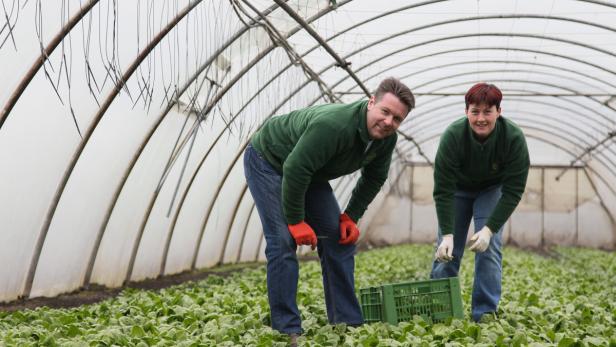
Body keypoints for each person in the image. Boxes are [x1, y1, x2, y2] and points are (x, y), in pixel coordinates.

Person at [243, 78, 414, 340]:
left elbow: (374, 178)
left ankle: (347, 322)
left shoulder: (385, 139)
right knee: (282, 241)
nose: (389, 122)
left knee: (340, 239)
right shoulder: (334, 125)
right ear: (371, 103)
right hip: (269, 159)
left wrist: (350, 216)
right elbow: (295, 169)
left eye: (397, 118)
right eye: (385, 111)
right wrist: (296, 220)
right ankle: (287, 328)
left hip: (310, 172)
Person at [431, 82, 530, 322]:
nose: (481, 118)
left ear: (499, 111)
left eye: (488, 111)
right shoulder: (453, 136)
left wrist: (488, 230)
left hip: (491, 190)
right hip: (457, 190)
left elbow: (513, 191)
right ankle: (439, 310)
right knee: (446, 252)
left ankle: (484, 313)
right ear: (466, 112)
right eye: (475, 111)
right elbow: (442, 190)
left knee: (488, 248)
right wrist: (447, 234)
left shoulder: (513, 138)